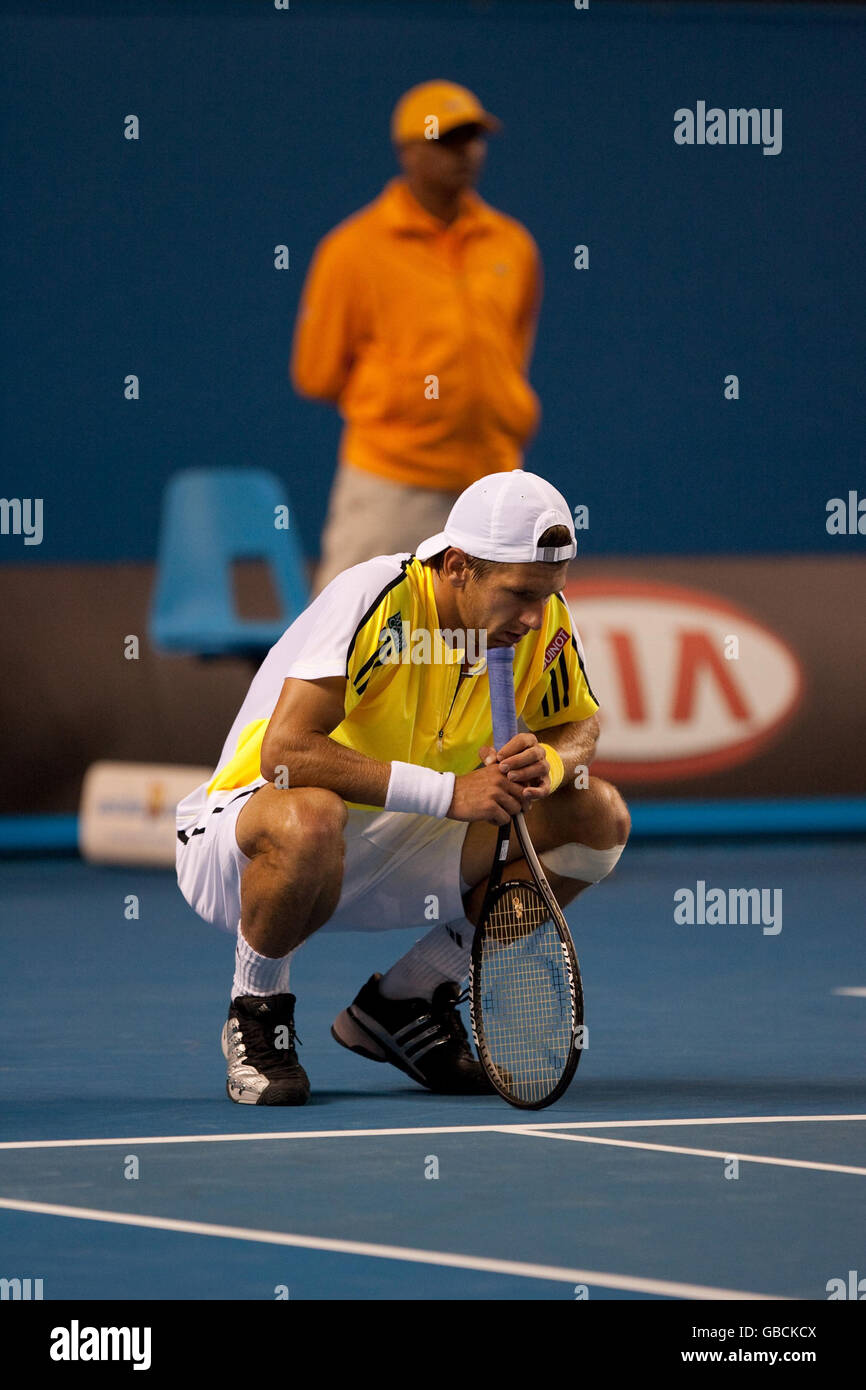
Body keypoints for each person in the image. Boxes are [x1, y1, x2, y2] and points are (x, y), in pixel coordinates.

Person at [175, 471, 630, 1105]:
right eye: (520, 593)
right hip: (252, 843)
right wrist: (449, 794)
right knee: (310, 815)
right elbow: (287, 754)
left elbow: (579, 723)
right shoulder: (376, 597)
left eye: (549, 593)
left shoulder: (541, 620)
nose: (534, 615)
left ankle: (406, 1002)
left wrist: (550, 764)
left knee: (596, 816)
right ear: (457, 566)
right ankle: (258, 1011)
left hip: (397, 845)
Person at [290, 79, 544, 595]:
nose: (464, 153)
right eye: (446, 140)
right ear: (407, 150)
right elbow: (316, 373)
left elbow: (511, 353)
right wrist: (403, 400)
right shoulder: (352, 250)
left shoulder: (512, 244)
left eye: (472, 138)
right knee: (350, 636)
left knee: (480, 646)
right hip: (393, 479)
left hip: (490, 484)